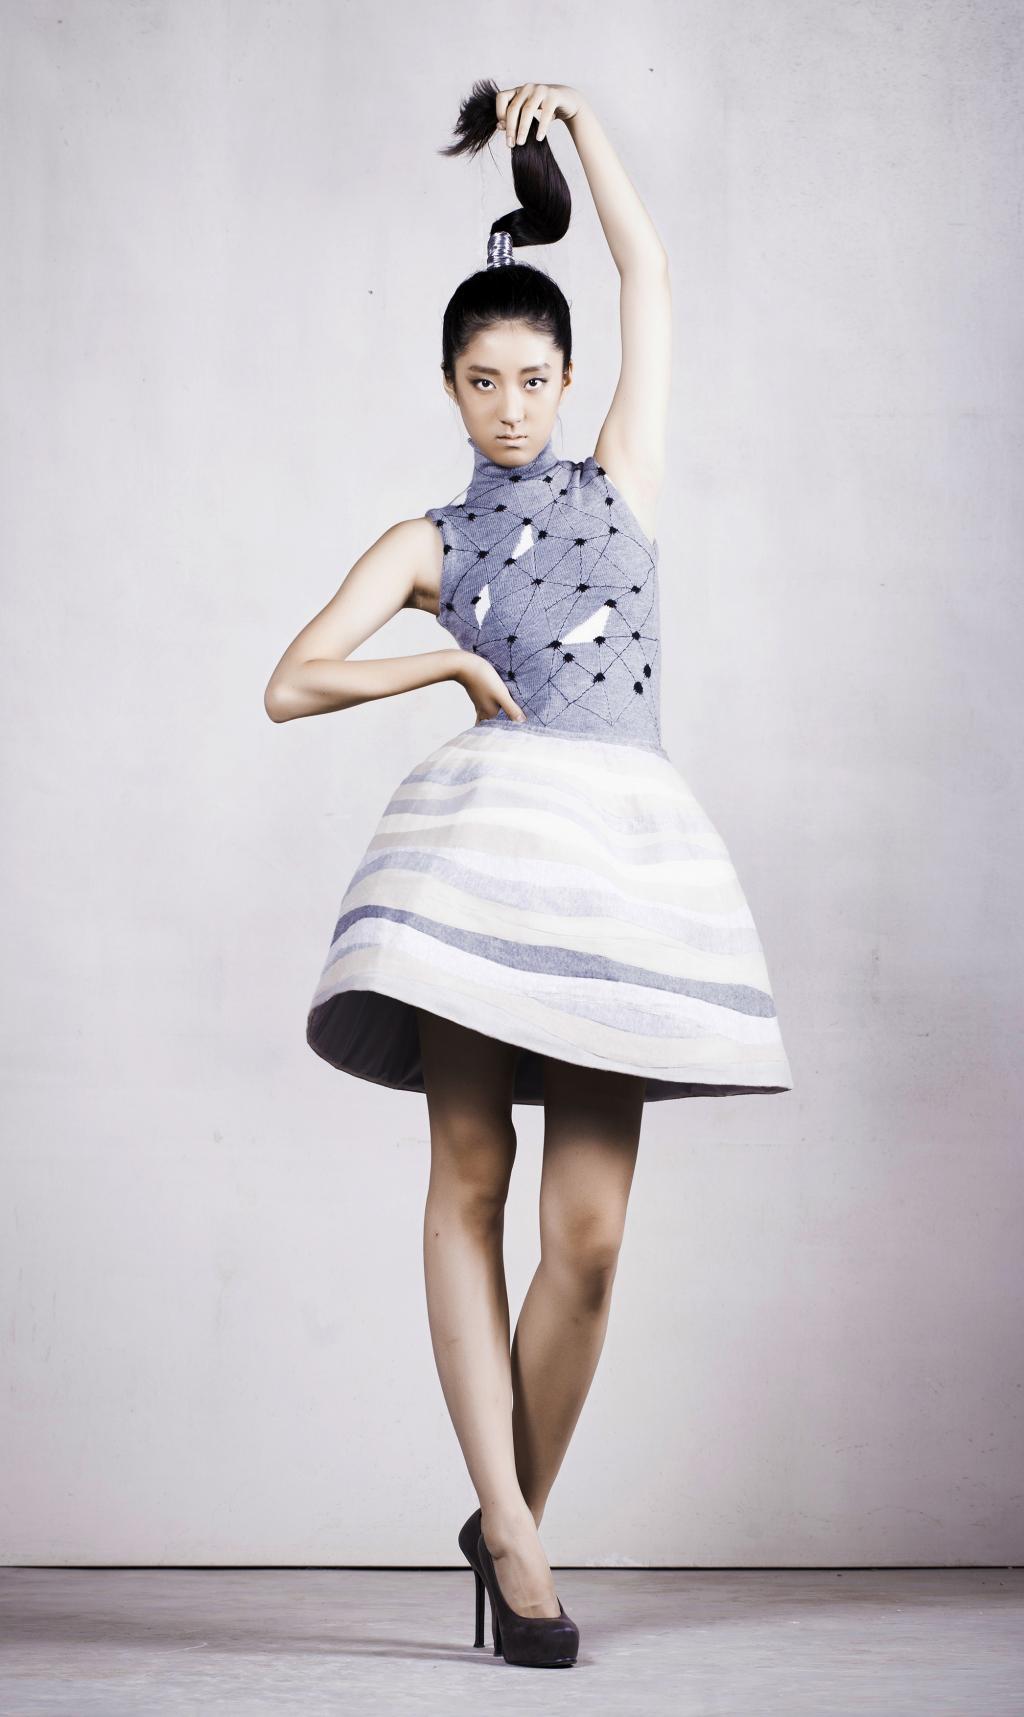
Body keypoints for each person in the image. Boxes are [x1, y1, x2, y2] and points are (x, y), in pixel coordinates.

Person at [265, 78, 792, 1670]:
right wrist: (438, 668)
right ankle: (519, 1536)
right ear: (449, 385)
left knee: (591, 1236)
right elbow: (292, 679)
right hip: (485, 859)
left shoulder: (619, 476)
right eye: (485, 381)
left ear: (568, 379)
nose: (513, 406)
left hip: (616, 865)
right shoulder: (429, 539)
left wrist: (588, 137)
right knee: (470, 1177)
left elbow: (650, 273)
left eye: (536, 378)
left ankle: (506, 1521)